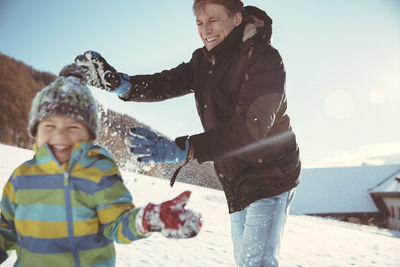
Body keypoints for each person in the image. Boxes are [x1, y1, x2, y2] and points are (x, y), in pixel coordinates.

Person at [75, 0, 301, 265]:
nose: (205, 29)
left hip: (269, 175)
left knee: (256, 263)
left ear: (237, 19)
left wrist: (186, 148)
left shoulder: (264, 59)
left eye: (213, 20)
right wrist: (123, 85)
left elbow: (252, 130)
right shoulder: (204, 62)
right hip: (235, 178)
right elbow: (164, 83)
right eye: (199, 23)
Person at [0, 64, 202, 267]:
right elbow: (6, 226)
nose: (60, 135)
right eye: (49, 126)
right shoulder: (22, 176)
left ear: (89, 135)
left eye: (72, 127)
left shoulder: (98, 171)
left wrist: (144, 220)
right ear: (36, 132)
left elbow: (117, 223)